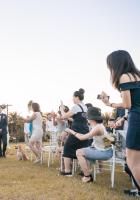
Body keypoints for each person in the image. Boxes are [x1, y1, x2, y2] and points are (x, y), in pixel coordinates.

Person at [100, 50, 140, 195]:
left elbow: (127, 104)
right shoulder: (137, 75)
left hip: (136, 118)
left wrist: (109, 104)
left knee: (131, 161)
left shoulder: (124, 77)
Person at [65, 107, 113, 183]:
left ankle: (87, 176)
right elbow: (85, 136)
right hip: (102, 149)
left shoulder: (97, 128)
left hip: (105, 153)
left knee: (79, 152)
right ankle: (87, 172)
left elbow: (82, 138)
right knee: (85, 150)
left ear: (91, 118)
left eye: (87, 117)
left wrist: (71, 131)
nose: (86, 119)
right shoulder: (98, 126)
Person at [58, 88, 90, 176]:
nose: (72, 99)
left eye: (73, 97)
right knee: (83, 150)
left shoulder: (76, 107)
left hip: (76, 131)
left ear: (76, 97)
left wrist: (61, 109)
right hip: (85, 131)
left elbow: (63, 116)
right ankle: (85, 172)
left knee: (67, 148)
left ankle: (67, 171)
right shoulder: (85, 107)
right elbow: (77, 118)